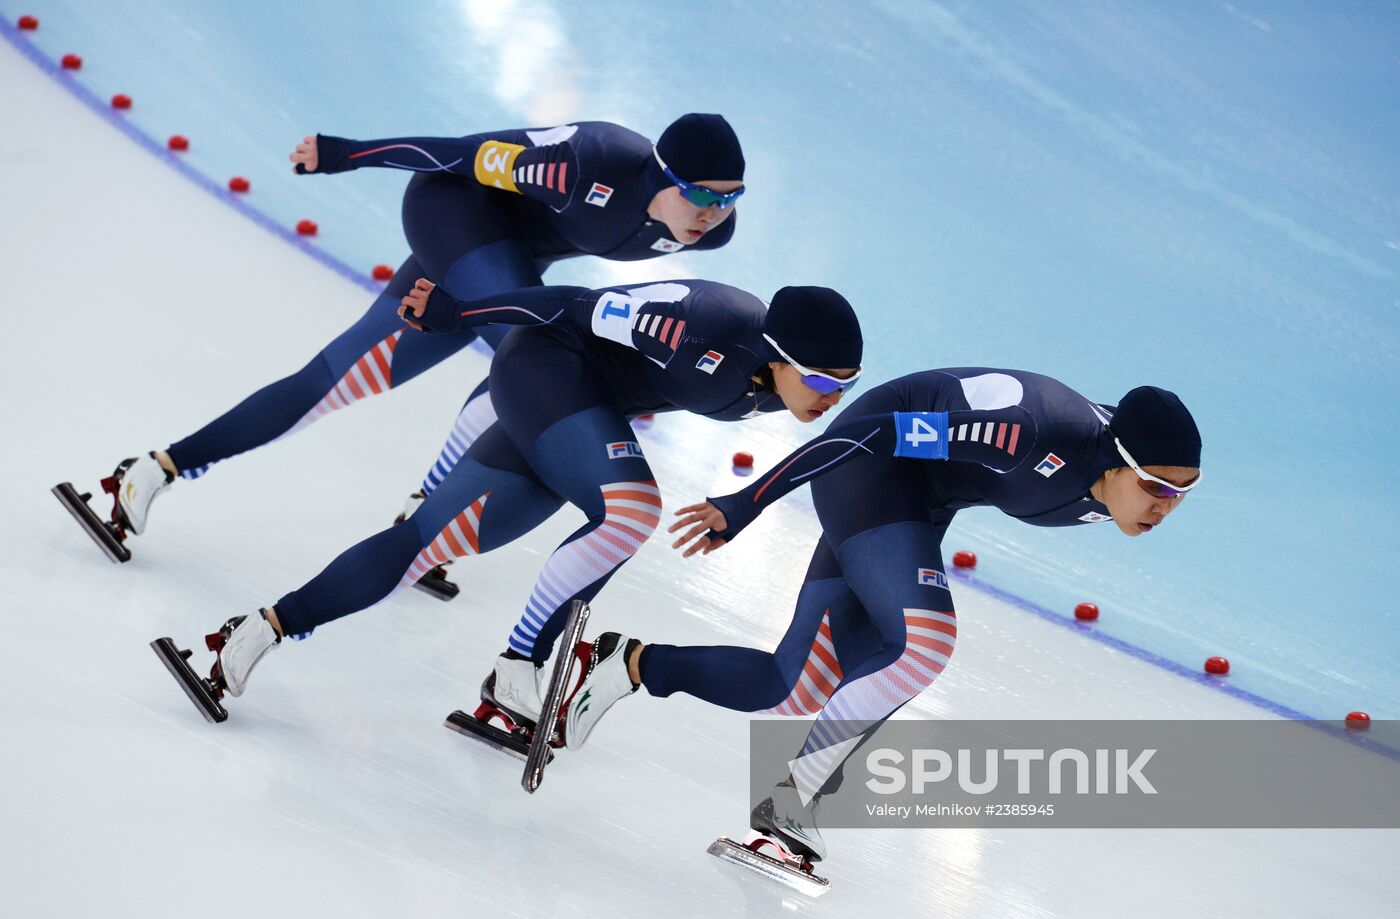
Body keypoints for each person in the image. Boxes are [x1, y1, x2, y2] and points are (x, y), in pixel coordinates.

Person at [152, 278, 865, 751]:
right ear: (774, 355)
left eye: (846, 385)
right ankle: (520, 665)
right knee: (630, 510)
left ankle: (245, 635)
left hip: (583, 404)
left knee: (421, 545)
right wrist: (459, 312)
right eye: (822, 380)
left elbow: (839, 432)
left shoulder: (781, 386)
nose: (830, 396)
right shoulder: (699, 330)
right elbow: (565, 302)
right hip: (544, 370)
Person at [55, 114, 747, 582]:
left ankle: (147, 472)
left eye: (731, 198)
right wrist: (345, 154)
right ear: (659, 176)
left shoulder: (708, 227)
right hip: (453, 212)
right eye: (701, 195)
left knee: (339, 376)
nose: (715, 214)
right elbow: (453, 153)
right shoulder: (579, 165)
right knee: (541, 363)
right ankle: (153, 474)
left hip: (505, 259)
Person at [561, 369, 1203, 868]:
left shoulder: (1120, 483)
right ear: (1116, 459)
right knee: (923, 643)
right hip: (868, 466)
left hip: (922, 497)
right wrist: (747, 500)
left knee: (794, 687)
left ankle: (628, 663)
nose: (1166, 508)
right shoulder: (1028, 433)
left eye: (1182, 494)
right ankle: (792, 806)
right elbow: (866, 435)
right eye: (1155, 489)